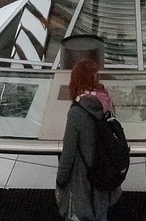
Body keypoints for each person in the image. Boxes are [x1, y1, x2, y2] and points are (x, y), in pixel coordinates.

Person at [56, 59, 123, 221]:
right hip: (105, 177)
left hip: (82, 185)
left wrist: (60, 181)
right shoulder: (107, 103)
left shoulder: (77, 113)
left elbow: (68, 155)